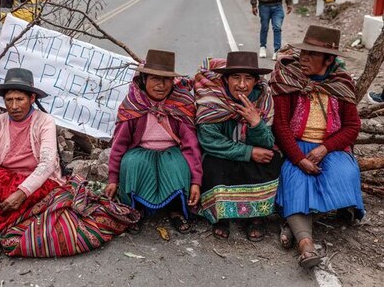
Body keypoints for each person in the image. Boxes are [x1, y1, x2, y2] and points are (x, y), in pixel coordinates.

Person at [269, 26, 365, 268]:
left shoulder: (341, 83)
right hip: (294, 145)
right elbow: (280, 126)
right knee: (295, 179)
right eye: (303, 53)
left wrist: (325, 148)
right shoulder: (287, 79)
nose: (303, 58)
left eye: (312, 55)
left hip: (329, 147)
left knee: (343, 175)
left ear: (329, 59)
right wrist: (299, 158)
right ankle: (306, 246)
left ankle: (291, 222)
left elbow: (352, 127)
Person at [0, 68, 65, 273]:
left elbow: (46, 164)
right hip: (7, 176)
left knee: (9, 191)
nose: (14, 106)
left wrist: (22, 192)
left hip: (37, 178)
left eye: (20, 99)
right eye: (9, 100)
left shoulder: (45, 121)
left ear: (32, 98)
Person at [106, 50, 202, 234]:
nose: (161, 85)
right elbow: (119, 144)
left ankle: (175, 210)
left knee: (178, 166)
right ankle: (135, 210)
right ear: (144, 79)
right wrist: (113, 179)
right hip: (140, 150)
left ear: (172, 81)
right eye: (155, 79)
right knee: (132, 163)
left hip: (171, 150)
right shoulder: (132, 105)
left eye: (166, 79)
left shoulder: (180, 104)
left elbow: (191, 145)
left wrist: (196, 181)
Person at [195, 52, 283, 241]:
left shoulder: (264, 99)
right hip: (223, 154)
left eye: (248, 78)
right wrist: (248, 152)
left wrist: (256, 123)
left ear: (256, 81)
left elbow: (268, 143)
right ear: (226, 79)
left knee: (272, 159)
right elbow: (209, 140)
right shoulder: (212, 100)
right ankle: (222, 216)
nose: (242, 85)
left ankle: (256, 217)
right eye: (236, 77)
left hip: (253, 152)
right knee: (211, 164)